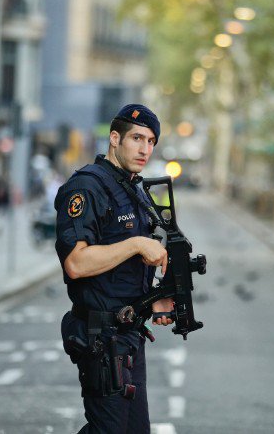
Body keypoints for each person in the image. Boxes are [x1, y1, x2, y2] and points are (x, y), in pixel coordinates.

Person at [55, 104, 174, 434]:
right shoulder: (88, 187)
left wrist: (155, 301)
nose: (144, 149)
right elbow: (76, 263)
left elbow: (124, 274)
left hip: (129, 335)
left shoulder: (132, 189)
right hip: (101, 339)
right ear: (114, 138)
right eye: (136, 138)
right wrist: (136, 244)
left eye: (151, 141)